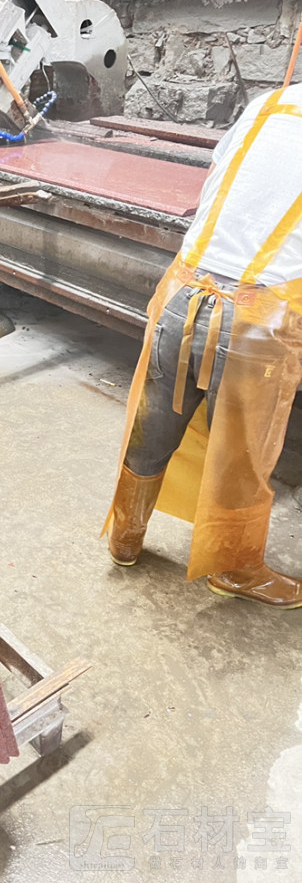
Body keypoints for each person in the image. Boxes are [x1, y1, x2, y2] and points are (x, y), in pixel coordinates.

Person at [104, 78, 302, 608]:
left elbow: (222, 182)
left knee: (153, 427)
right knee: (244, 453)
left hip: (182, 290)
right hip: (258, 318)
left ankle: (126, 537)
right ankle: (234, 568)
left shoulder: (270, 104)